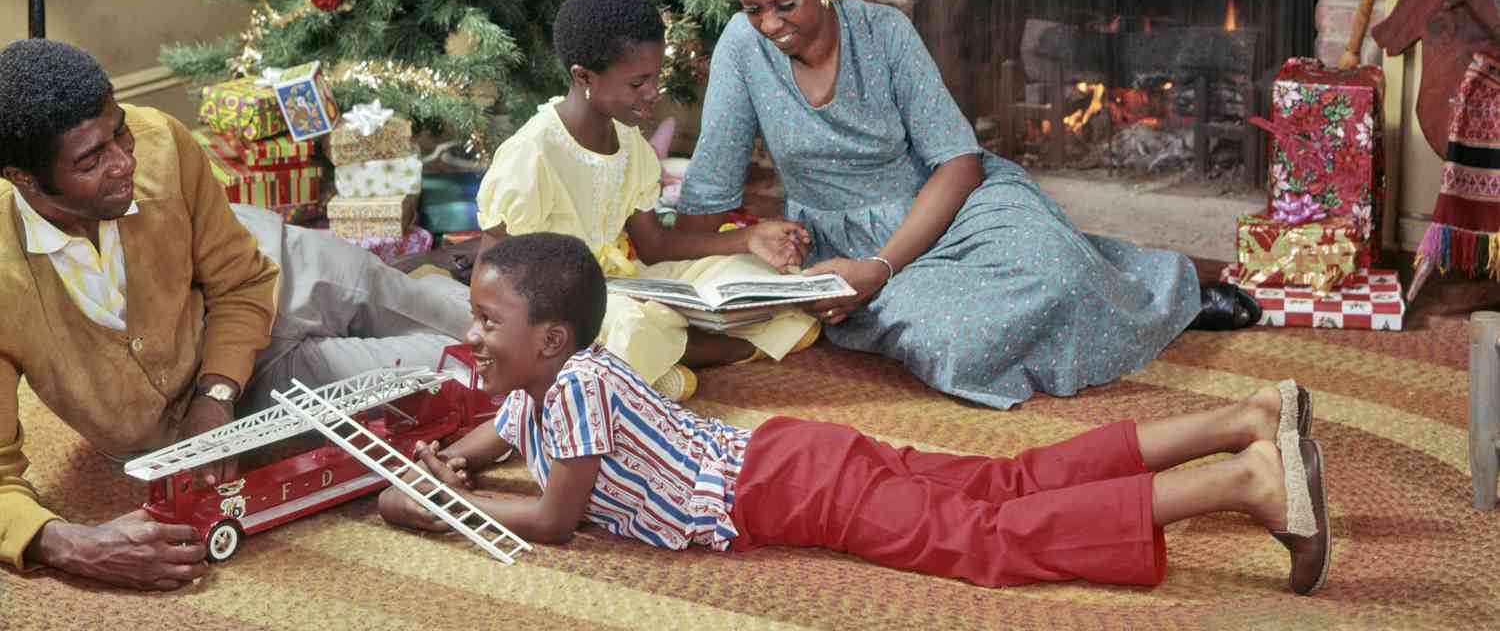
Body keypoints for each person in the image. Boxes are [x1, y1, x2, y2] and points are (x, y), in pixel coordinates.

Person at [377, 233, 1332, 595]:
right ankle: (1243, 417)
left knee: (989, 540)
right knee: (1003, 478)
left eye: (485, 320)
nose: (473, 332)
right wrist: (457, 455)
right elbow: (506, 429)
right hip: (793, 456)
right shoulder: (553, 383)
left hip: (789, 490)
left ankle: (1244, 478)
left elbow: (553, 518)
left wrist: (433, 507)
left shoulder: (574, 390)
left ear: (549, 338)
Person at [669, 0, 1260, 411]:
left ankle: (1166, 298)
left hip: (952, 203)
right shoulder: (741, 53)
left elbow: (957, 163)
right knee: (952, 341)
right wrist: (741, 244)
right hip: (846, 248)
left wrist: (881, 268)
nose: (770, 25)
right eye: (753, 10)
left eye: (785, 5)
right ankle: (1092, 282)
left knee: (1055, 267)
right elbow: (708, 201)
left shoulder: (885, 32)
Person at [0, 38, 472, 590]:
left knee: (477, 323)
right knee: (461, 377)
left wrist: (213, 393)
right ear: (24, 179)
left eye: (119, 131)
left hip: (272, 266)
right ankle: (430, 274)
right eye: (91, 159)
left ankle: (431, 270)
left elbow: (243, 280)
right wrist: (67, 544)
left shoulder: (161, 141)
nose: (125, 160)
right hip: (250, 389)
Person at [475, 0, 818, 401]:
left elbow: (653, 246)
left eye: (656, 77)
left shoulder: (630, 144)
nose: (653, 93)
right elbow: (490, 269)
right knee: (635, 324)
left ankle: (655, 367)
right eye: (637, 84)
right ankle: (728, 350)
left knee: (758, 276)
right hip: (560, 308)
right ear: (583, 76)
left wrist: (749, 238)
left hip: (626, 280)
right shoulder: (532, 155)